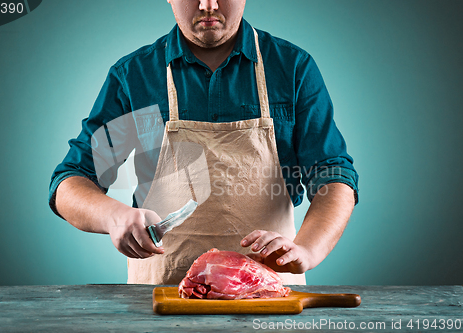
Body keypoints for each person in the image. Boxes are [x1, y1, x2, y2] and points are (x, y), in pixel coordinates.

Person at [49, 0, 359, 285]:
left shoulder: (293, 69)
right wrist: (113, 216)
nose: (208, 5)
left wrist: (307, 249)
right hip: (159, 300)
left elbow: (333, 176)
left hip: (267, 295)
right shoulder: (134, 76)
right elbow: (72, 180)